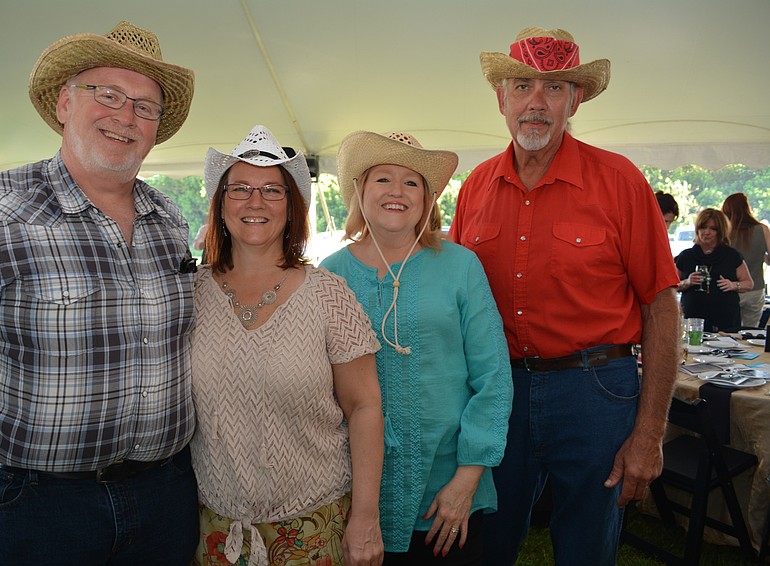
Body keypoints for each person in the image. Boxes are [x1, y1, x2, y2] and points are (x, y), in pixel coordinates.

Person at [0, 21, 199, 566]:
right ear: (65, 103)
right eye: (109, 95)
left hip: (166, 498)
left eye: (146, 107)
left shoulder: (168, 219)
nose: (126, 116)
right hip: (37, 509)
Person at [449, 26, 682, 565]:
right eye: (523, 85)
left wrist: (650, 433)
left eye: (554, 88)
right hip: (498, 389)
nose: (536, 102)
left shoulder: (621, 181)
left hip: (596, 391)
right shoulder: (476, 188)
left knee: (587, 546)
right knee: (487, 538)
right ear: (500, 98)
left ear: (575, 100)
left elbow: (661, 306)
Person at [189, 125, 385, 566]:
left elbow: (365, 409)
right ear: (220, 205)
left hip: (314, 530)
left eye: (272, 191)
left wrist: (366, 517)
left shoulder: (327, 295)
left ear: (292, 208)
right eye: (239, 189)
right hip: (214, 533)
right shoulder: (190, 295)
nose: (255, 202)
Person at [321, 131, 512, 565]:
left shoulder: (462, 265)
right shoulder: (330, 275)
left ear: (427, 199)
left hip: (449, 489)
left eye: (412, 182)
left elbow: (494, 376)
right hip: (358, 491)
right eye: (382, 179)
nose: (397, 192)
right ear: (360, 191)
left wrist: (466, 480)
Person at [675, 208, 753, 332]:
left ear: (720, 232)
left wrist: (733, 285)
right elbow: (671, 285)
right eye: (703, 228)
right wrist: (687, 282)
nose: (706, 232)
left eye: (712, 229)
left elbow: (749, 283)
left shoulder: (732, 256)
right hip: (694, 317)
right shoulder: (686, 256)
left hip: (725, 317)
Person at [722, 192, 770, 327]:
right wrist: (762, 256)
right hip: (755, 288)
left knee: (728, 328)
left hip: (729, 288)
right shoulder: (763, 229)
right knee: (750, 330)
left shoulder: (725, 231)